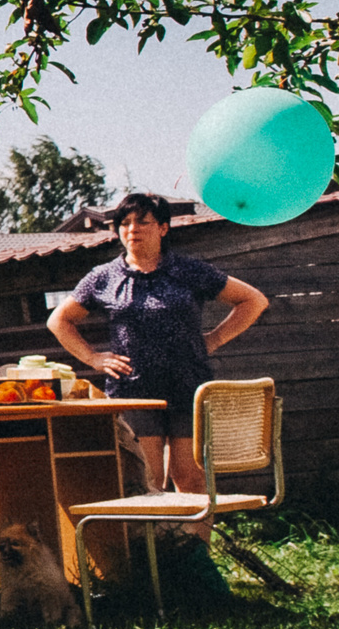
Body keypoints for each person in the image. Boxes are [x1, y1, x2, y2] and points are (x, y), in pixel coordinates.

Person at [47, 192, 269, 501]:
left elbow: (253, 300)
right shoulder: (103, 277)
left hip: (188, 387)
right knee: (148, 482)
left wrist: (215, 339)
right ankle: (156, 550)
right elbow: (59, 321)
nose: (132, 229)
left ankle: (194, 549)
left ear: (163, 228)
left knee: (190, 479)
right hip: (133, 393)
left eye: (142, 221)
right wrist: (92, 357)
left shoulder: (189, 271)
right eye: (124, 223)